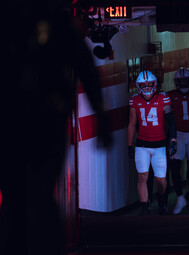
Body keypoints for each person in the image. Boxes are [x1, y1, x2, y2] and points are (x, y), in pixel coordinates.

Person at [1, 1, 112, 254]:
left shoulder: (11, 20)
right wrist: (101, 118)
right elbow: (86, 69)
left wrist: (102, 119)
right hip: (43, 120)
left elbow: (85, 67)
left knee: (17, 195)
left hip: (20, 123)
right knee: (36, 195)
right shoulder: (55, 21)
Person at [128, 70, 177, 216]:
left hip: (159, 145)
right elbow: (131, 124)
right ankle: (144, 207)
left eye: (149, 84)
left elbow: (171, 121)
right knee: (142, 176)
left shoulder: (163, 98)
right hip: (142, 145)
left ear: (155, 84)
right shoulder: (135, 100)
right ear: (138, 85)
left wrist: (173, 139)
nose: (147, 87)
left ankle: (162, 201)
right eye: (144, 84)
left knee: (160, 179)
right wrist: (129, 145)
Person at [167, 68, 189, 215]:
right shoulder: (169, 96)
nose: (182, 83)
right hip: (178, 134)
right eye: (179, 81)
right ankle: (180, 198)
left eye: (185, 80)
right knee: (175, 168)